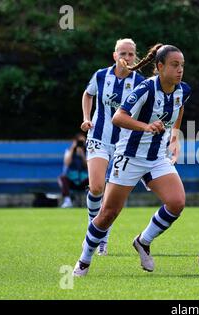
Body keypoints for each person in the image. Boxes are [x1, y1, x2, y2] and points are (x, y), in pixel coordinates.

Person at [73, 43, 191, 276]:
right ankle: (84, 261)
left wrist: (174, 137)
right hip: (129, 156)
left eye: (182, 66)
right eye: (174, 65)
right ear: (160, 66)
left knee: (177, 202)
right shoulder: (146, 89)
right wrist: (146, 126)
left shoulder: (183, 90)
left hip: (157, 158)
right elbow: (119, 117)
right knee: (108, 213)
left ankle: (143, 241)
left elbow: (180, 109)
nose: (180, 70)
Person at [80, 38, 145, 255]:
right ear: (114, 55)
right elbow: (88, 94)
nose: (127, 58)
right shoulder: (101, 75)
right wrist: (86, 118)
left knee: (111, 198)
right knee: (97, 187)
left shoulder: (140, 81)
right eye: (123, 53)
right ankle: (94, 230)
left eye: (130, 54)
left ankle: (102, 237)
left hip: (123, 144)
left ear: (135, 57)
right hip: (98, 137)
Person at [58, 133, 89, 208]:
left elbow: (88, 166)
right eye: (79, 142)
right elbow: (66, 163)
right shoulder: (69, 151)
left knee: (94, 180)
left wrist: (82, 155)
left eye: (83, 142)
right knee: (63, 178)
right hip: (72, 180)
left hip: (84, 180)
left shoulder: (88, 151)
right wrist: (73, 148)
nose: (81, 144)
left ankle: (92, 201)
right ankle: (67, 201)